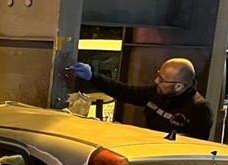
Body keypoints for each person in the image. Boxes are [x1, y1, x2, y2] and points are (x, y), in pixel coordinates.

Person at [67, 57, 214, 140]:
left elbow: (194, 148)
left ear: (179, 87)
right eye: (158, 75)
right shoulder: (156, 93)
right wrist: (92, 76)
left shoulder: (199, 109)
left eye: (162, 80)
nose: (156, 81)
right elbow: (125, 92)